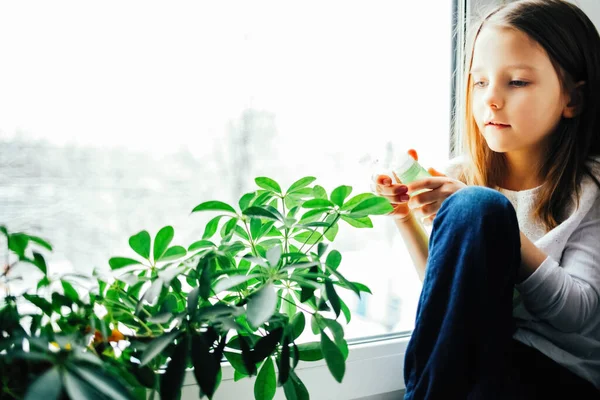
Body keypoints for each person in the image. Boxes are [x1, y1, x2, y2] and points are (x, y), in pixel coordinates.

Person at [373, 1, 600, 398]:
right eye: (479, 82)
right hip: (480, 360)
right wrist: (405, 216)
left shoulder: (590, 186)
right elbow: (449, 304)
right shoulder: (462, 176)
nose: (491, 99)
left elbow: (577, 315)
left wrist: (496, 224)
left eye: (517, 82)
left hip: (558, 376)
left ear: (572, 100)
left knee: (479, 207)